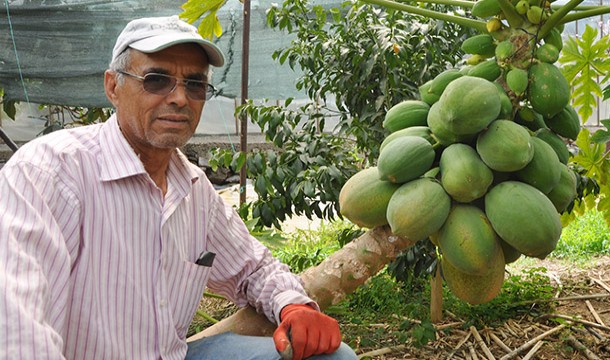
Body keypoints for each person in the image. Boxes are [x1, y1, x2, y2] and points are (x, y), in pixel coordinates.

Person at [0, 15, 357, 360]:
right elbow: (18, 323)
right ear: (113, 87)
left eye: (195, 84)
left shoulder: (193, 188)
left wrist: (293, 305)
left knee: (334, 358)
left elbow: (252, 267)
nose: (180, 98)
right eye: (157, 80)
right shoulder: (49, 173)